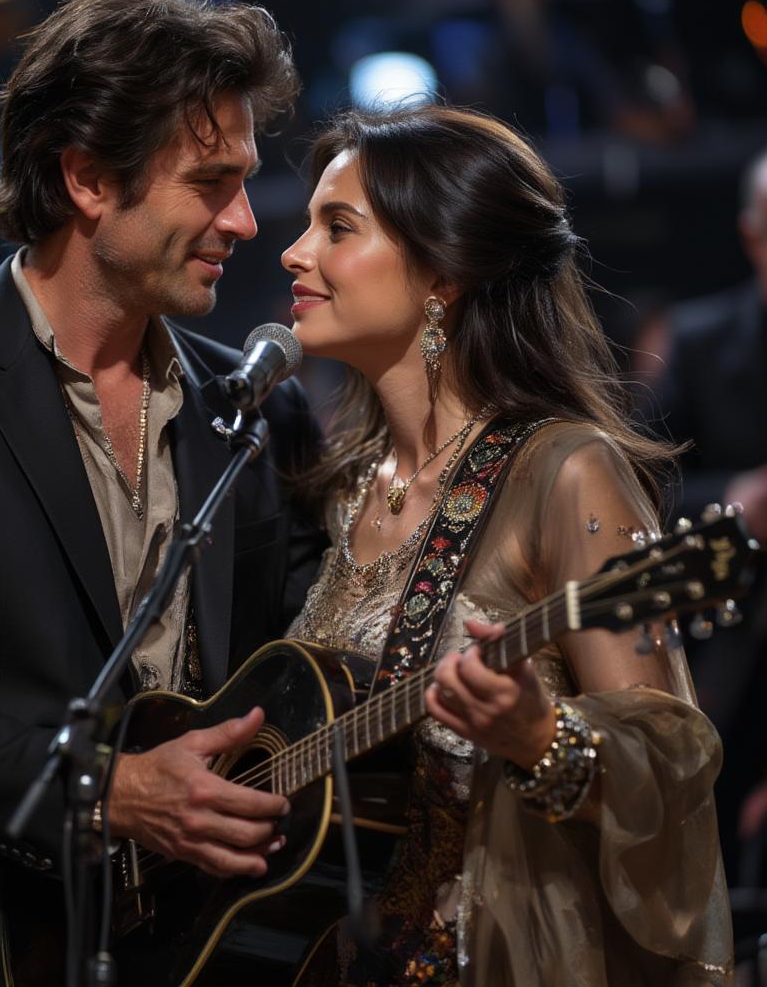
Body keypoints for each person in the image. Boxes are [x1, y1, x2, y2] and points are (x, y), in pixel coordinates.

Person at [0, 0, 324, 986]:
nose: (248, 221)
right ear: (86, 178)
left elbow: (300, 668)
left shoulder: (258, 404)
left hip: (198, 950)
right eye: (210, 181)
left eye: (246, 180)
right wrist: (109, 790)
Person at [281, 103, 732, 985]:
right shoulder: (337, 491)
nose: (294, 253)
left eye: (336, 228)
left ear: (443, 273)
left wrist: (541, 736)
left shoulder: (564, 471)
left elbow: (670, 771)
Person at [653, 148, 767, 885]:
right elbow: (642, 490)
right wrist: (739, 500)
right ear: (753, 235)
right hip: (728, 646)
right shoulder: (698, 341)